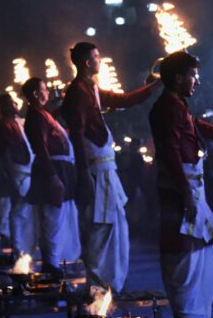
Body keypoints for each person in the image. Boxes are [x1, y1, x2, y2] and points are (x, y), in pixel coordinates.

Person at [149, 51, 213, 318]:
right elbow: (170, 154)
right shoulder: (168, 108)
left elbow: (208, 130)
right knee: (184, 257)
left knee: (200, 257)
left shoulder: (177, 105)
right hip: (182, 194)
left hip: (190, 192)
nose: (197, 81)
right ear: (179, 78)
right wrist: (185, 195)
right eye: (193, 75)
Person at [61, 41, 159, 293]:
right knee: (100, 227)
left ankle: (110, 283)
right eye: (96, 56)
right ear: (86, 62)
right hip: (96, 171)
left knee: (113, 225)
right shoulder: (78, 91)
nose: (100, 59)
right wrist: (84, 174)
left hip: (104, 170)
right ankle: (100, 286)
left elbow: (123, 100)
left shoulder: (89, 87)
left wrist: (154, 85)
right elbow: (78, 135)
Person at [22, 77, 82, 277]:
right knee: (52, 221)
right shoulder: (36, 117)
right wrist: (53, 177)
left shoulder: (42, 114)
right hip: (52, 173)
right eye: (45, 90)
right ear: (36, 95)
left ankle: (54, 264)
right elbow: (41, 148)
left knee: (56, 220)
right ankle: (52, 266)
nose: (48, 92)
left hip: (59, 171)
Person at [0, 92, 35, 253]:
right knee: (18, 209)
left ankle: (23, 245)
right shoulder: (4, 125)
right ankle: (18, 247)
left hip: (24, 170)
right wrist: (10, 176)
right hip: (17, 172)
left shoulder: (13, 122)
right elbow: (6, 152)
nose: (15, 105)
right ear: (4, 107)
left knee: (24, 209)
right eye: (11, 103)